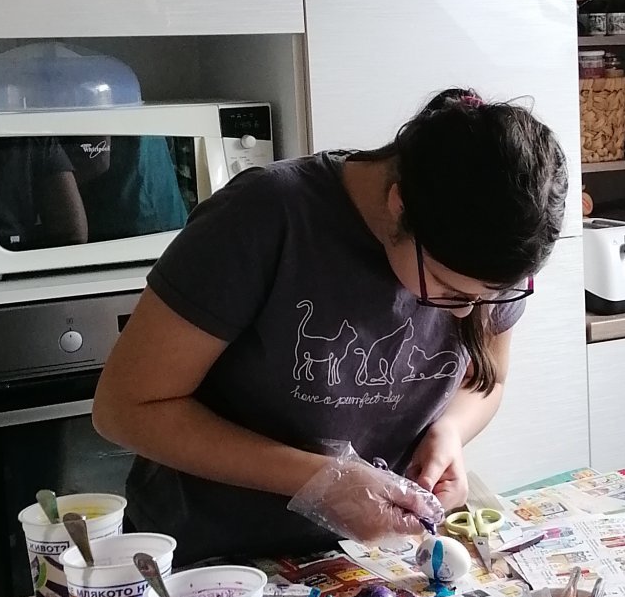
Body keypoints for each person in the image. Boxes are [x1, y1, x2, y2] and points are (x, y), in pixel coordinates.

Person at [94, 89, 566, 565]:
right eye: (448, 289)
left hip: (365, 560)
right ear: (399, 205)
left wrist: (448, 431)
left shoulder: (490, 248)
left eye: (494, 296)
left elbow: (487, 381)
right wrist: (319, 480)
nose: (465, 314)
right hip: (214, 562)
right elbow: (124, 408)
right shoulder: (265, 217)